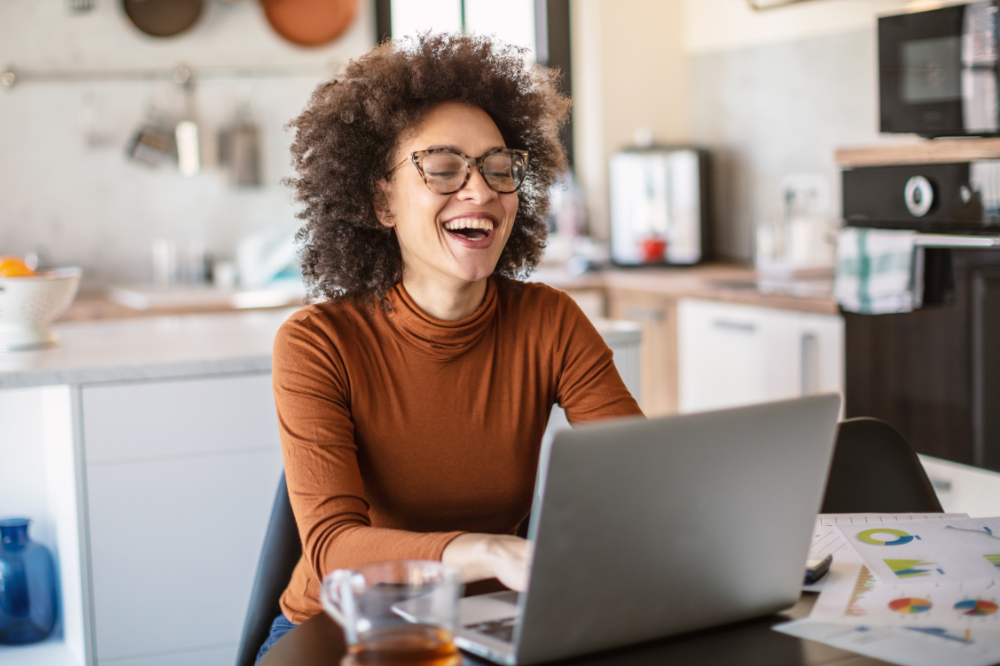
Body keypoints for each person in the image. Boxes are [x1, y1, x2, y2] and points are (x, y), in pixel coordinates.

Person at [256, 33, 643, 663]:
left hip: (492, 624)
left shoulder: (550, 321)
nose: (482, 192)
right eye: (442, 169)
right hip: (344, 630)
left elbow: (636, 476)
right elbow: (332, 551)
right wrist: (487, 549)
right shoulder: (317, 343)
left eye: (498, 169)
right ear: (381, 200)